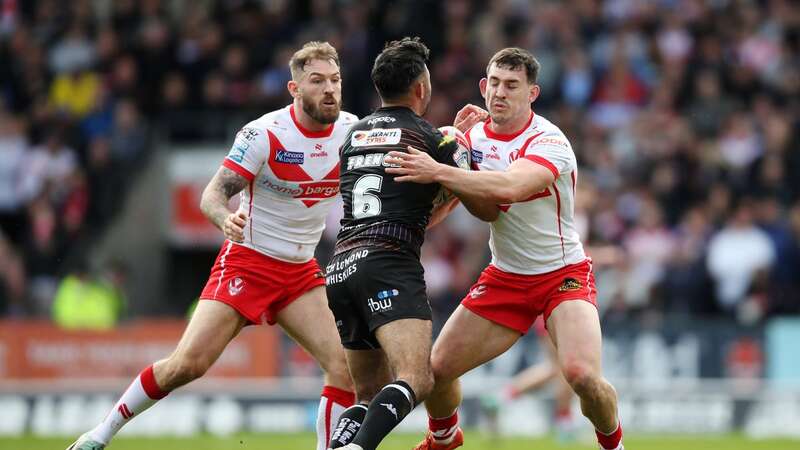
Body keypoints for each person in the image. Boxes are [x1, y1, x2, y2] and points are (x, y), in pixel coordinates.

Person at [67, 41, 358, 450]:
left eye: (335, 80)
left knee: (343, 366)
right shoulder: (265, 134)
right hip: (249, 263)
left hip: (299, 272)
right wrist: (226, 219)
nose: (329, 89)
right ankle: (100, 434)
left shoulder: (351, 130)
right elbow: (211, 195)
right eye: (317, 81)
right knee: (188, 365)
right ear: (294, 89)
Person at [385, 47, 624, 450]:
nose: (500, 92)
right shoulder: (472, 139)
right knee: (435, 371)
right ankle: (443, 439)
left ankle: (614, 444)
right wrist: (446, 158)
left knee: (582, 376)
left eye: (512, 85)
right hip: (506, 276)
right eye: (494, 83)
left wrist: (441, 168)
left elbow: (509, 188)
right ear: (483, 86)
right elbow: (444, 210)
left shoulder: (550, 141)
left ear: (532, 93)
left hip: (562, 275)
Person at [323, 37, 494, 450]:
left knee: (367, 394)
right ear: (421, 88)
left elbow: (408, 202)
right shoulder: (431, 140)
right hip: (389, 263)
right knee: (416, 378)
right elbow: (480, 205)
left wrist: (448, 142)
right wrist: (458, 147)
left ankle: (338, 446)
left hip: (342, 266)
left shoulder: (354, 136)